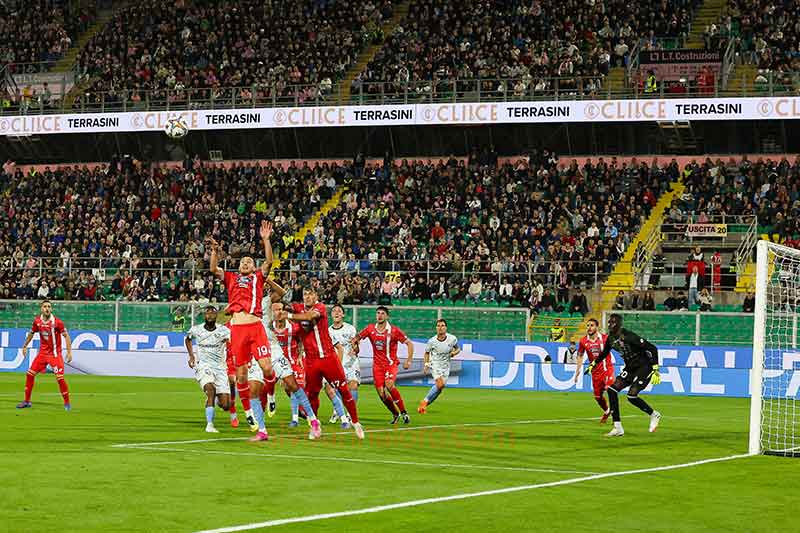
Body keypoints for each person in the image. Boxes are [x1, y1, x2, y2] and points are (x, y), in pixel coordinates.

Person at [207, 221, 277, 442]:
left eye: (249, 261)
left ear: (253, 267)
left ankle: (271, 390)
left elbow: (269, 261)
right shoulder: (231, 278)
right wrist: (214, 251)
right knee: (241, 376)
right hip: (237, 329)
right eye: (243, 261)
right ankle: (252, 418)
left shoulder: (258, 277)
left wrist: (266, 240)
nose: (246, 263)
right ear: (238, 266)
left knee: (267, 368)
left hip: (255, 326)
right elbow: (213, 269)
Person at [288, 287, 364, 439]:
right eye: (305, 294)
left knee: (344, 390)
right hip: (311, 361)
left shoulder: (320, 307)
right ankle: (315, 426)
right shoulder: (298, 308)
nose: (307, 297)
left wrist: (289, 315)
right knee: (312, 394)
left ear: (316, 295)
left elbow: (309, 316)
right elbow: (283, 300)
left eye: (310, 294)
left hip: (328, 358)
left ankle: (355, 422)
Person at [585, 314, 662, 436]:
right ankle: (618, 427)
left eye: (613, 322)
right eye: (609, 322)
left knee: (631, 396)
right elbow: (604, 353)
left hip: (644, 366)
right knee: (611, 390)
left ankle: (654, 414)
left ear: (619, 324)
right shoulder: (611, 339)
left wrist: (655, 368)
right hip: (630, 368)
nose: (610, 325)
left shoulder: (629, 336)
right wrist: (593, 364)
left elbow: (652, 348)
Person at [352, 306, 415, 424]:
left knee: (389, 384)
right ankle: (395, 414)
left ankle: (404, 413)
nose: (380, 315)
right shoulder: (370, 328)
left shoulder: (394, 331)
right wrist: (355, 347)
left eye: (382, 313)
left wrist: (409, 360)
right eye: (378, 313)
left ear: (387, 316)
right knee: (382, 394)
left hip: (390, 364)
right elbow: (356, 338)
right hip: (377, 366)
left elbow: (409, 344)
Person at [17, 300, 73, 410]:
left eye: (49, 306)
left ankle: (67, 403)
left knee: (60, 378)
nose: (47, 308)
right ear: (41, 308)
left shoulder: (57, 322)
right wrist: (25, 346)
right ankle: (27, 401)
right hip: (42, 354)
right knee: (29, 374)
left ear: (51, 309)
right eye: (45, 306)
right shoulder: (37, 321)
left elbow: (66, 336)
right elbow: (31, 333)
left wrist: (69, 352)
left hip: (54, 355)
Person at [185, 306, 232, 433]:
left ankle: (214, 399)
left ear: (216, 316)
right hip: (204, 366)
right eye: (207, 313)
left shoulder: (224, 330)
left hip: (220, 368)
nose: (210, 315)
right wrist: (191, 355)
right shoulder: (196, 329)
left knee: (226, 405)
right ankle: (209, 425)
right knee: (211, 390)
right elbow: (188, 339)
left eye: (213, 313)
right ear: (204, 315)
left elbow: (234, 342)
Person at [272, 302, 307, 428]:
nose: (279, 312)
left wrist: (300, 355)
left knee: (294, 387)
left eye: (281, 309)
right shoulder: (269, 327)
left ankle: (295, 418)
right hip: (275, 362)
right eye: (276, 310)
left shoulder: (294, 327)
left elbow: (302, 340)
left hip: (292, 361)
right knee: (264, 387)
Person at [572, 318, 613, 423]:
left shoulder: (605, 338)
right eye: (588, 325)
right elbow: (580, 355)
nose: (589, 328)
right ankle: (607, 411)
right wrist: (578, 371)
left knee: (611, 390)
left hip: (607, 369)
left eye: (592, 325)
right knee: (598, 397)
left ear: (597, 327)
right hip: (595, 372)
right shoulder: (583, 341)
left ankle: (616, 420)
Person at [418, 319, 460, 414]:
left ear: (446, 328)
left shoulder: (452, 338)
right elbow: (427, 353)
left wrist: (454, 353)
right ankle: (424, 402)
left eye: (442, 325)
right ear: (436, 328)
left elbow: (458, 348)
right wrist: (426, 364)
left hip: (446, 366)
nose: (440, 328)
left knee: (440, 388)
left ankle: (424, 404)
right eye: (438, 326)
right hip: (435, 364)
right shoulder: (432, 341)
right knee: (440, 384)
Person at [329, 304, 360, 409]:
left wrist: (355, 347)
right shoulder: (328, 331)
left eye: (339, 311)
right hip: (336, 363)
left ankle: (351, 414)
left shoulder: (350, 329)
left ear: (343, 315)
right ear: (331, 314)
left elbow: (357, 349)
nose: (336, 313)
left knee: (353, 385)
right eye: (334, 311)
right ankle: (338, 412)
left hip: (351, 362)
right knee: (337, 389)